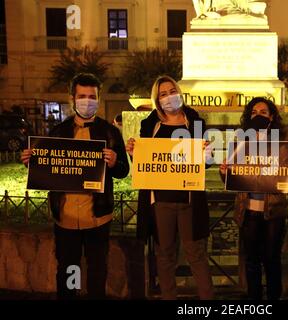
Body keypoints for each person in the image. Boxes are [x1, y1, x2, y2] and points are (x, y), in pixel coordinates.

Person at [21, 73, 130, 299]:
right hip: (66, 217)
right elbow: (47, 167)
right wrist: (31, 161)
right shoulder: (58, 132)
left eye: (92, 96)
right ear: (72, 98)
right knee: (70, 270)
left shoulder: (110, 132)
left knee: (97, 270)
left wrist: (113, 163)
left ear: (98, 99)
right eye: (82, 96)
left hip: (98, 216)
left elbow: (123, 171)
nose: (87, 101)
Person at [126, 75, 214, 300]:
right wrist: (133, 152)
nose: (168, 97)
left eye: (171, 91)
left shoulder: (195, 122)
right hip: (161, 201)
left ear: (179, 92)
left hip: (189, 199)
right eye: (163, 94)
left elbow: (206, 162)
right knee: (164, 255)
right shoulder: (150, 125)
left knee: (196, 253)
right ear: (157, 99)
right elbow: (144, 164)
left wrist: (207, 152)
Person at [219, 97, 288, 300]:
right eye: (254, 112)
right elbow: (233, 179)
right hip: (247, 210)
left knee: (272, 259)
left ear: (272, 116)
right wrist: (225, 172)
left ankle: (274, 297)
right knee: (251, 261)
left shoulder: (283, 140)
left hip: (274, 211)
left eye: (263, 112)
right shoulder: (241, 142)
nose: (258, 115)